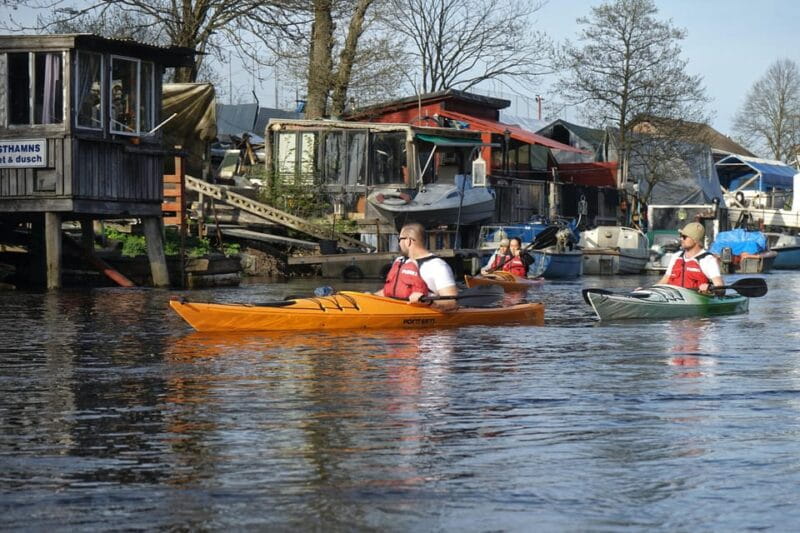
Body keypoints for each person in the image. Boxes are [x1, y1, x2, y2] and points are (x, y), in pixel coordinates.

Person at [375, 223, 459, 310]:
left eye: (399, 240)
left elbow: (452, 302)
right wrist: (371, 296)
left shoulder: (437, 266)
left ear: (408, 241)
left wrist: (428, 301)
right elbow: (390, 291)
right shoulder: (399, 261)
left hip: (422, 314)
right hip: (394, 310)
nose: (399, 244)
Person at [656, 222, 724, 293]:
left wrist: (710, 287)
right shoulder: (676, 256)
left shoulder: (708, 260)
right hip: (673, 296)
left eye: (684, 237)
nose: (681, 239)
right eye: (680, 236)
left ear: (695, 240)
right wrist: (651, 291)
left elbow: (721, 289)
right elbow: (664, 280)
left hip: (697, 297)